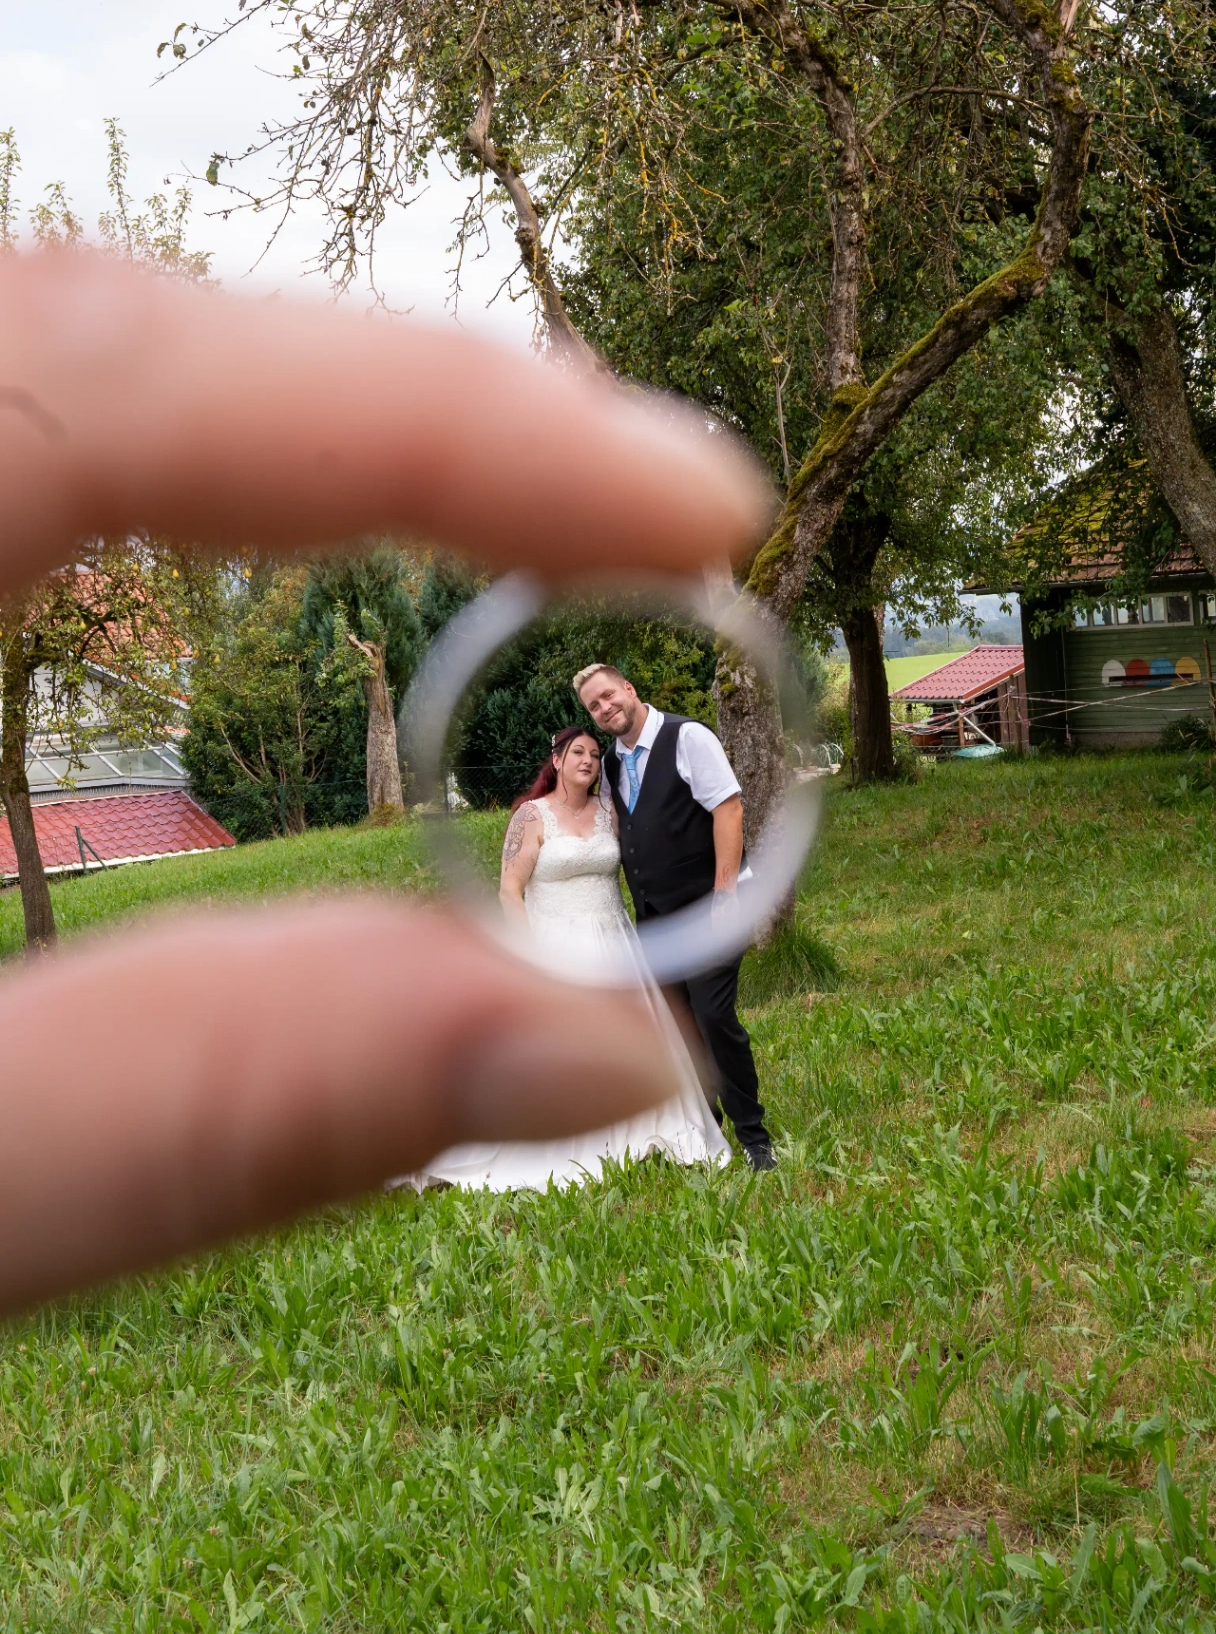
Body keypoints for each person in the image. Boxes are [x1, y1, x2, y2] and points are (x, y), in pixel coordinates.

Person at [0, 249, 767, 1317]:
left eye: (603, 722)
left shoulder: (659, 759)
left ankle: (722, 1140)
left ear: (623, 708)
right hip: (571, 938)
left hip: (635, 939)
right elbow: (513, 887)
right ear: (567, 748)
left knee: (669, 1043)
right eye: (584, 730)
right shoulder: (549, 813)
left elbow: (713, 816)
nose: (595, 740)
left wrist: (721, 901)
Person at [400, 727, 730, 1190]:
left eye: (595, 754)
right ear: (556, 760)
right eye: (578, 752)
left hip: (614, 943)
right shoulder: (531, 816)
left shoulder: (608, 812)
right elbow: (509, 891)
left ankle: (639, 1132)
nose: (589, 761)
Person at [574, 664, 776, 1172]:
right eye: (593, 707)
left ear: (629, 687)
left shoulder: (689, 737)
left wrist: (725, 896)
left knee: (712, 1015)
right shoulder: (614, 763)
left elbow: (728, 810)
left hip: (712, 906)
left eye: (608, 696)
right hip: (656, 920)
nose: (604, 709)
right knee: (680, 1026)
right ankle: (704, 1128)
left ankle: (754, 1137)